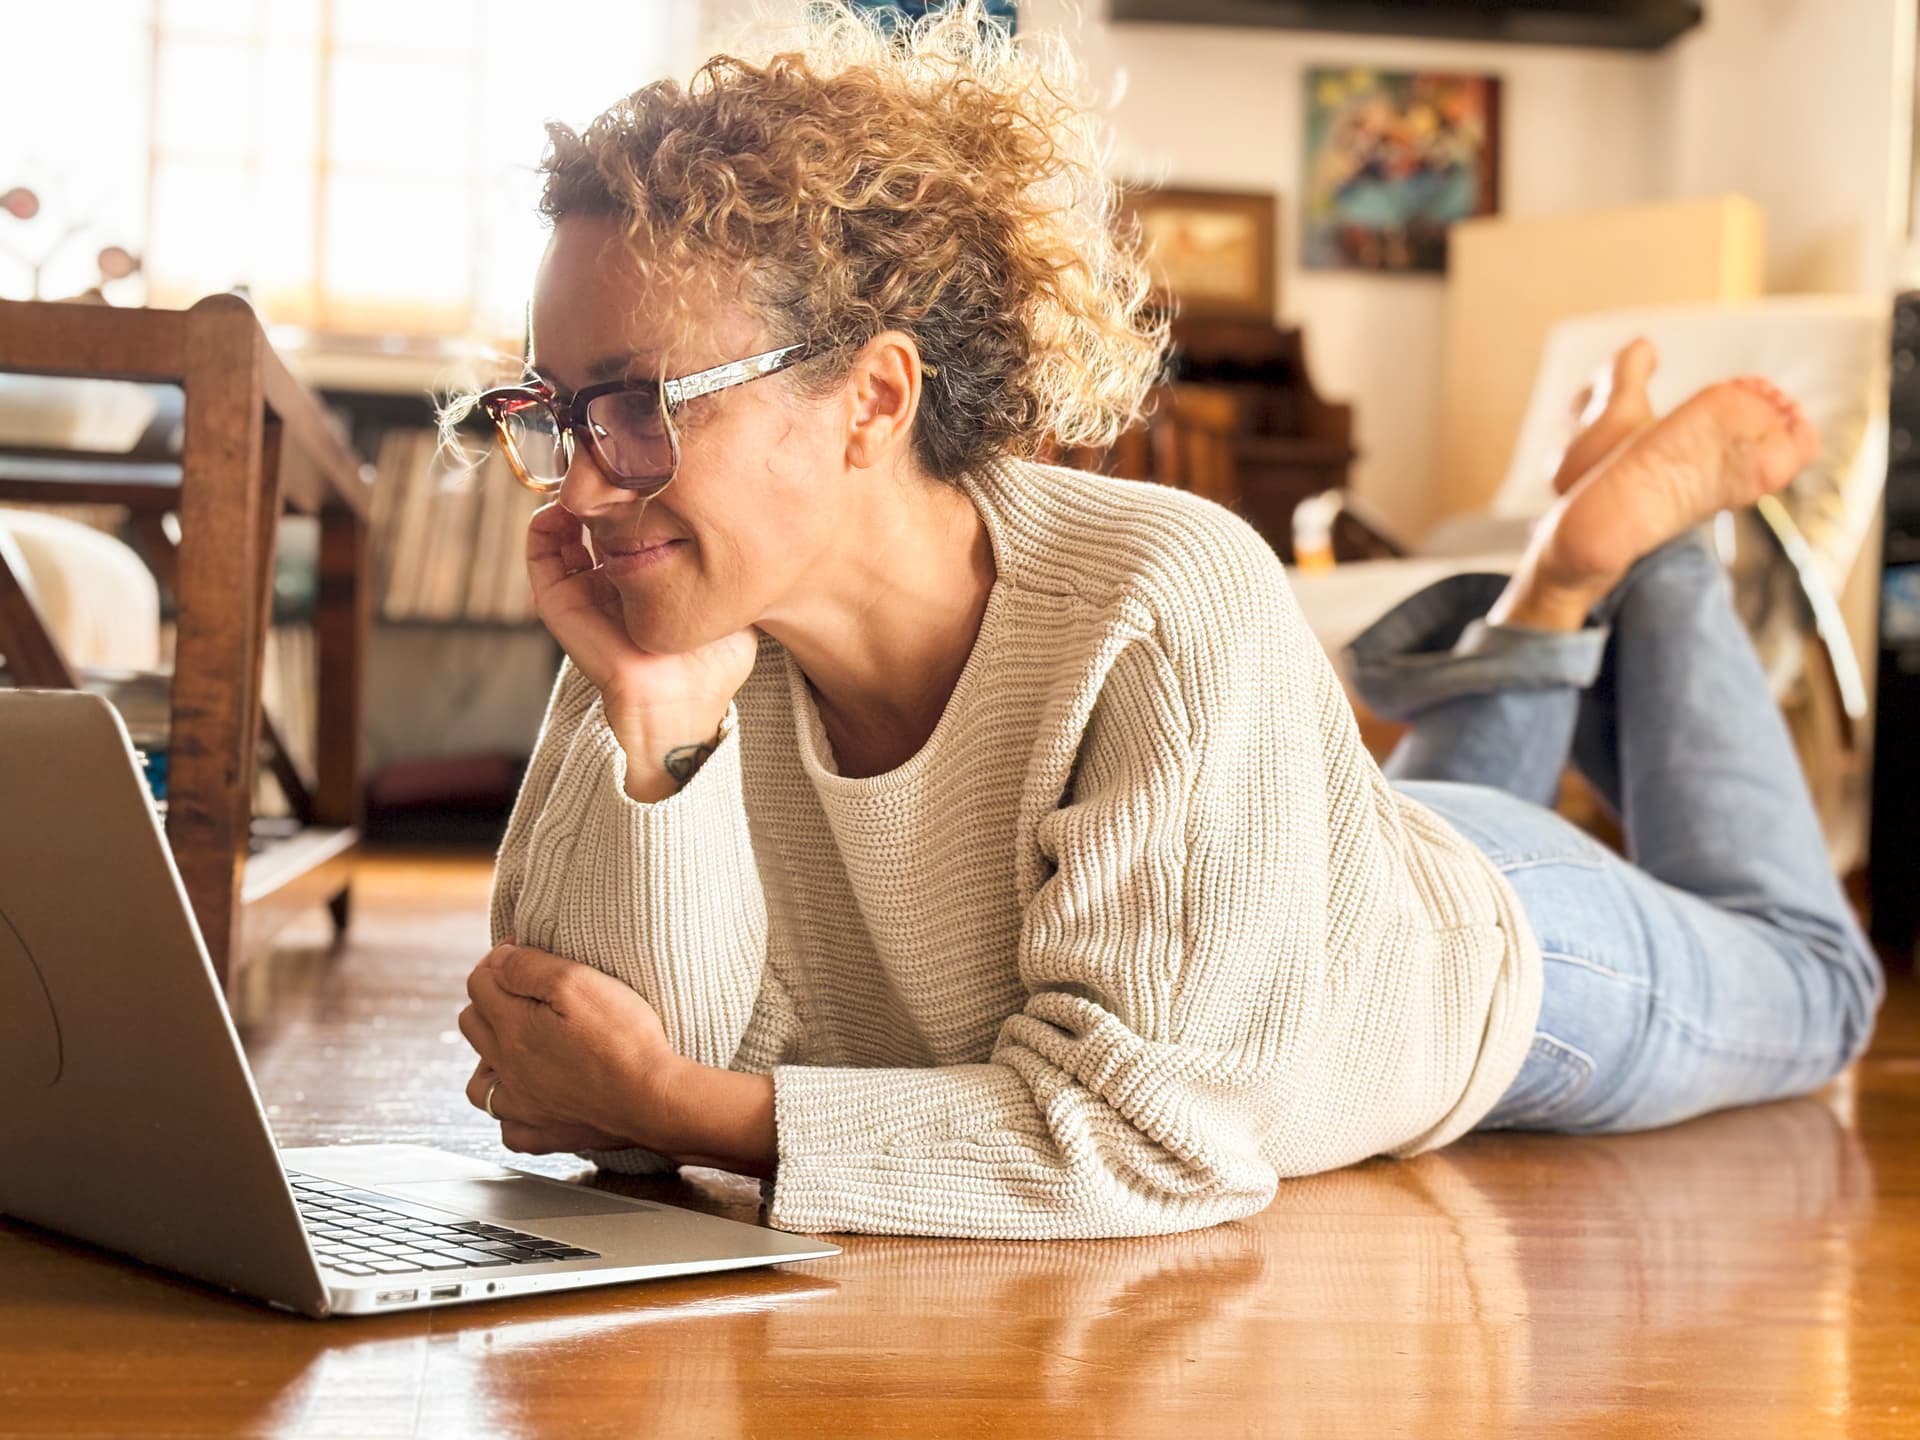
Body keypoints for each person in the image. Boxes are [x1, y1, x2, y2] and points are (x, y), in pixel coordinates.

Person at [450, 3, 1883, 1239]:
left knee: (1818, 993)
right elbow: (567, 1078)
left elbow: (1153, 1141)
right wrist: (653, 729)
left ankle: (1656, 554)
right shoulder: (669, 616)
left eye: (637, 405)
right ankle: (1559, 580)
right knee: (1369, 847)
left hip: (1470, 959)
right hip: (1286, 911)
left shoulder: (1156, 595)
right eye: (555, 412)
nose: (579, 481)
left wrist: (693, 1108)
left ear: (874, 401)